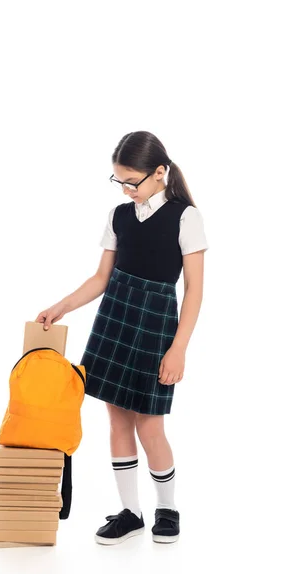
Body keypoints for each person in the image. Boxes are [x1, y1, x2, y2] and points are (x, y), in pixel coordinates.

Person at [35, 130, 209, 545]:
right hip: (115, 318)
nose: (127, 189)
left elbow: (195, 290)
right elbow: (101, 278)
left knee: (150, 425)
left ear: (159, 173)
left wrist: (179, 348)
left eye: (133, 181)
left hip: (155, 325)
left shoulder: (186, 217)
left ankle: (167, 509)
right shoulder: (118, 215)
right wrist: (61, 306)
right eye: (121, 181)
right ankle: (130, 512)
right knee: (116, 419)